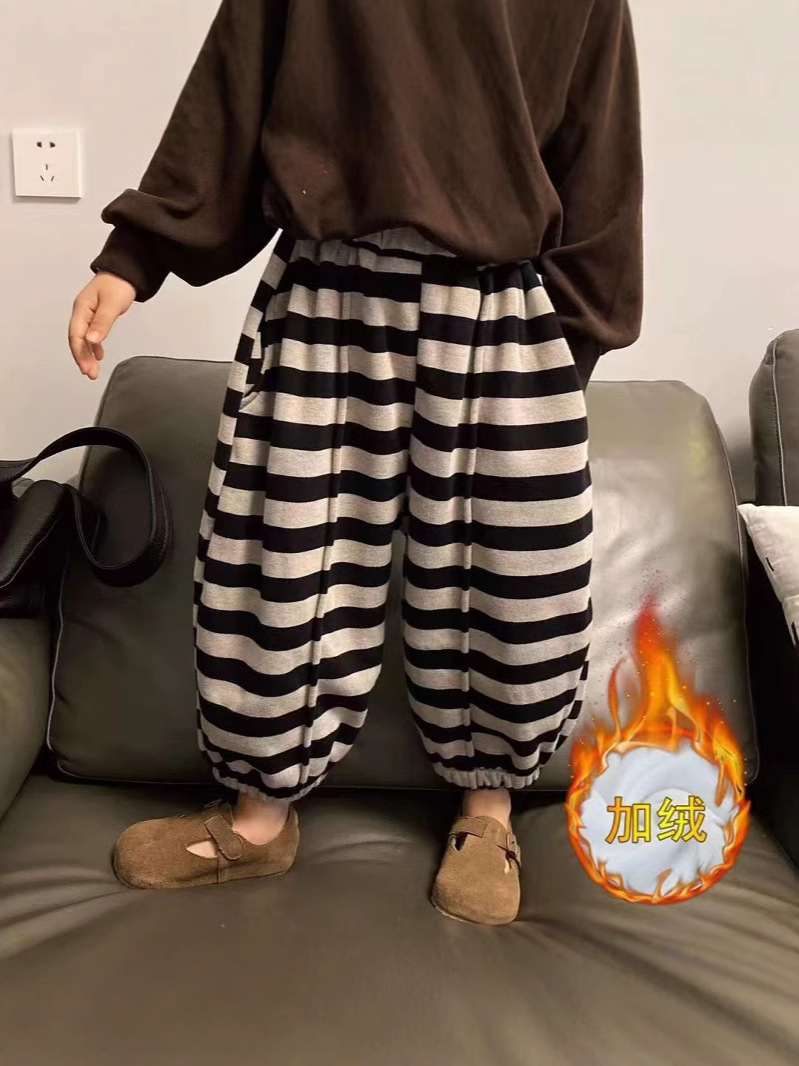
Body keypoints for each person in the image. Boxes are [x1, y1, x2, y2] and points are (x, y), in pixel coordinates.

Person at [67, 0, 642, 925]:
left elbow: (599, 145)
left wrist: (566, 342)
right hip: (327, 288)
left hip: (496, 299)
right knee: (280, 552)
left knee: (508, 574)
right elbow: (232, 89)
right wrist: (134, 258)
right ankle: (259, 817)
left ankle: (488, 810)